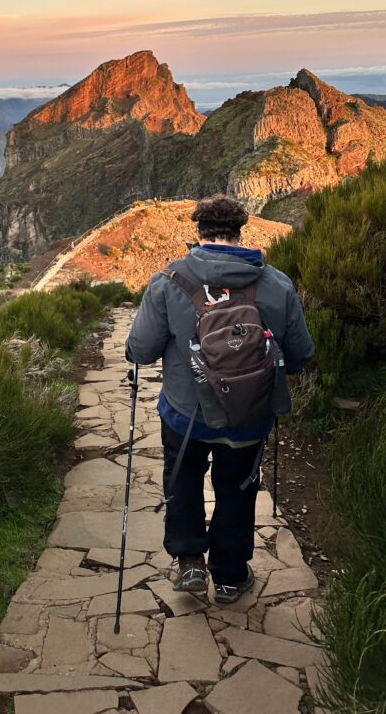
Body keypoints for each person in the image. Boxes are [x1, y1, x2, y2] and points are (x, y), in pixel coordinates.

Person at [125, 194, 314, 604]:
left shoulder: (168, 282)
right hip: (247, 417)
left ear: (199, 231)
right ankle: (230, 577)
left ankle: (189, 560)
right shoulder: (276, 284)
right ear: (240, 228)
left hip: (184, 414)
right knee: (237, 488)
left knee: (184, 480)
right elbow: (301, 353)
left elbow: (140, 350)